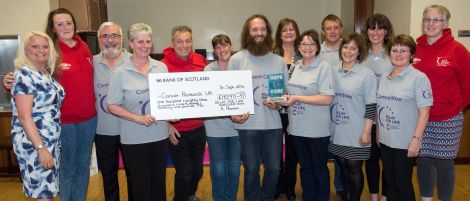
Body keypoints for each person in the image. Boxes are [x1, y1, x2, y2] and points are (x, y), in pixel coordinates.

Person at [107, 23, 170, 201]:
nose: (145, 46)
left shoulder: (161, 68)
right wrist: (137, 118)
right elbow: (111, 105)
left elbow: (167, 99)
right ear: (131, 44)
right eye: (140, 42)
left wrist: (172, 114)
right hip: (134, 138)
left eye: (148, 41)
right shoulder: (120, 72)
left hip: (159, 135)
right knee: (140, 186)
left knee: (159, 184)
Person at [413, 5, 470, 201]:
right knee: (423, 161)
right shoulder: (414, 48)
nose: (430, 24)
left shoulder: (458, 50)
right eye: (427, 19)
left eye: (436, 20)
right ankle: (426, 198)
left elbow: (468, 85)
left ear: (445, 23)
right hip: (420, 117)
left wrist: (454, 109)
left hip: (448, 118)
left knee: (445, 163)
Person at [228, 14, 287, 201]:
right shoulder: (236, 60)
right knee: (251, 169)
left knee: (274, 169)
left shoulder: (278, 61)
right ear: (248, 33)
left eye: (262, 29)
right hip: (247, 126)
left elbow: (283, 94)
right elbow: (229, 94)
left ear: (268, 33)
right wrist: (233, 115)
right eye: (255, 29)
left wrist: (278, 103)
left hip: (273, 126)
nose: (259, 33)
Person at [280, 29, 335, 201]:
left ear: (317, 47)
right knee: (305, 168)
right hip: (297, 129)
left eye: (311, 43)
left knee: (319, 168)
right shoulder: (295, 67)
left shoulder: (324, 67)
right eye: (304, 43)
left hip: (317, 129)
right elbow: (291, 93)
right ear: (298, 46)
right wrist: (280, 100)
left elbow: (327, 98)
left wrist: (296, 98)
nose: (307, 47)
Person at [377, 34, 433, 201]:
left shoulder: (419, 78)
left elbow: (425, 112)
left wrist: (416, 139)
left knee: (402, 183)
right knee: (390, 182)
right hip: (386, 140)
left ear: (412, 54)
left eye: (403, 50)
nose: (398, 54)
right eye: (395, 50)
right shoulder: (384, 77)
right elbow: (381, 107)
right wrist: (379, 134)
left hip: (405, 142)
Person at [10, 31, 64, 201]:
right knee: (42, 194)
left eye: (45, 46)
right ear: (25, 50)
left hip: (50, 141)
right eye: (35, 46)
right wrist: (41, 149)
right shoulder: (24, 75)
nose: (41, 50)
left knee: (47, 192)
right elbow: (24, 116)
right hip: (34, 144)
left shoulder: (45, 73)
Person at [161, 25, 207, 201]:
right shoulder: (162, 66)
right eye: (179, 41)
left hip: (198, 127)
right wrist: (167, 124)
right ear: (172, 42)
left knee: (198, 171)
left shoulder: (200, 60)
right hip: (177, 130)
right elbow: (157, 99)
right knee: (185, 172)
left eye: (188, 41)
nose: (184, 45)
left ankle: (189, 195)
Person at [329, 33, 377, 201]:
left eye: (353, 48)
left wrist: (367, 132)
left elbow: (371, 105)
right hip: (336, 129)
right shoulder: (332, 71)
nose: (348, 51)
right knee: (342, 166)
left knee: (354, 168)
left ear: (359, 52)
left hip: (357, 129)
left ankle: (354, 198)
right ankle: (347, 196)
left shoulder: (367, 74)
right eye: (346, 47)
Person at [94, 22, 132, 201]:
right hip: (103, 130)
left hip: (131, 129)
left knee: (134, 175)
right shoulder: (90, 63)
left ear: (122, 39)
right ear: (99, 40)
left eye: (115, 36)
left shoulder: (135, 60)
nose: (110, 40)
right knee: (108, 177)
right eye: (105, 36)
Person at [204, 34, 244, 201]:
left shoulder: (241, 68)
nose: (222, 50)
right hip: (215, 128)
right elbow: (208, 100)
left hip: (239, 128)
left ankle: (231, 198)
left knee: (235, 168)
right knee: (219, 168)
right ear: (214, 50)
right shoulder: (208, 71)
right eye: (218, 47)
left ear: (231, 46)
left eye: (225, 45)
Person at [360, 13, 394, 201]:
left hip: (388, 115)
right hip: (367, 115)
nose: (376, 32)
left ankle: (385, 196)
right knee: (371, 159)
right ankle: (374, 195)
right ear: (367, 31)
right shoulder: (361, 54)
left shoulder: (393, 53)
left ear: (386, 31)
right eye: (372, 27)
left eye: (380, 27)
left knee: (387, 160)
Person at [272, 18, 301, 201]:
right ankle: (277, 186)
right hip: (274, 111)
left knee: (292, 153)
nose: (288, 32)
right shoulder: (271, 54)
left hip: (297, 112)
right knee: (274, 152)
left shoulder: (304, 54)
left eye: (291, 29)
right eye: (284, 30)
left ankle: (290, 188)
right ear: (279, 34)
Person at [318, 14, 344, 197]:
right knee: (321, 151)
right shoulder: (316, 52)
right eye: (329, 28)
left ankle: (341, 187)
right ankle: (322, 189)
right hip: (321, 108)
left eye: (336, 27)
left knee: (342, 152)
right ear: (323, 32)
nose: (333, 31)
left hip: (344, 108)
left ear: (341, 29)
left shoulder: (350, 48)